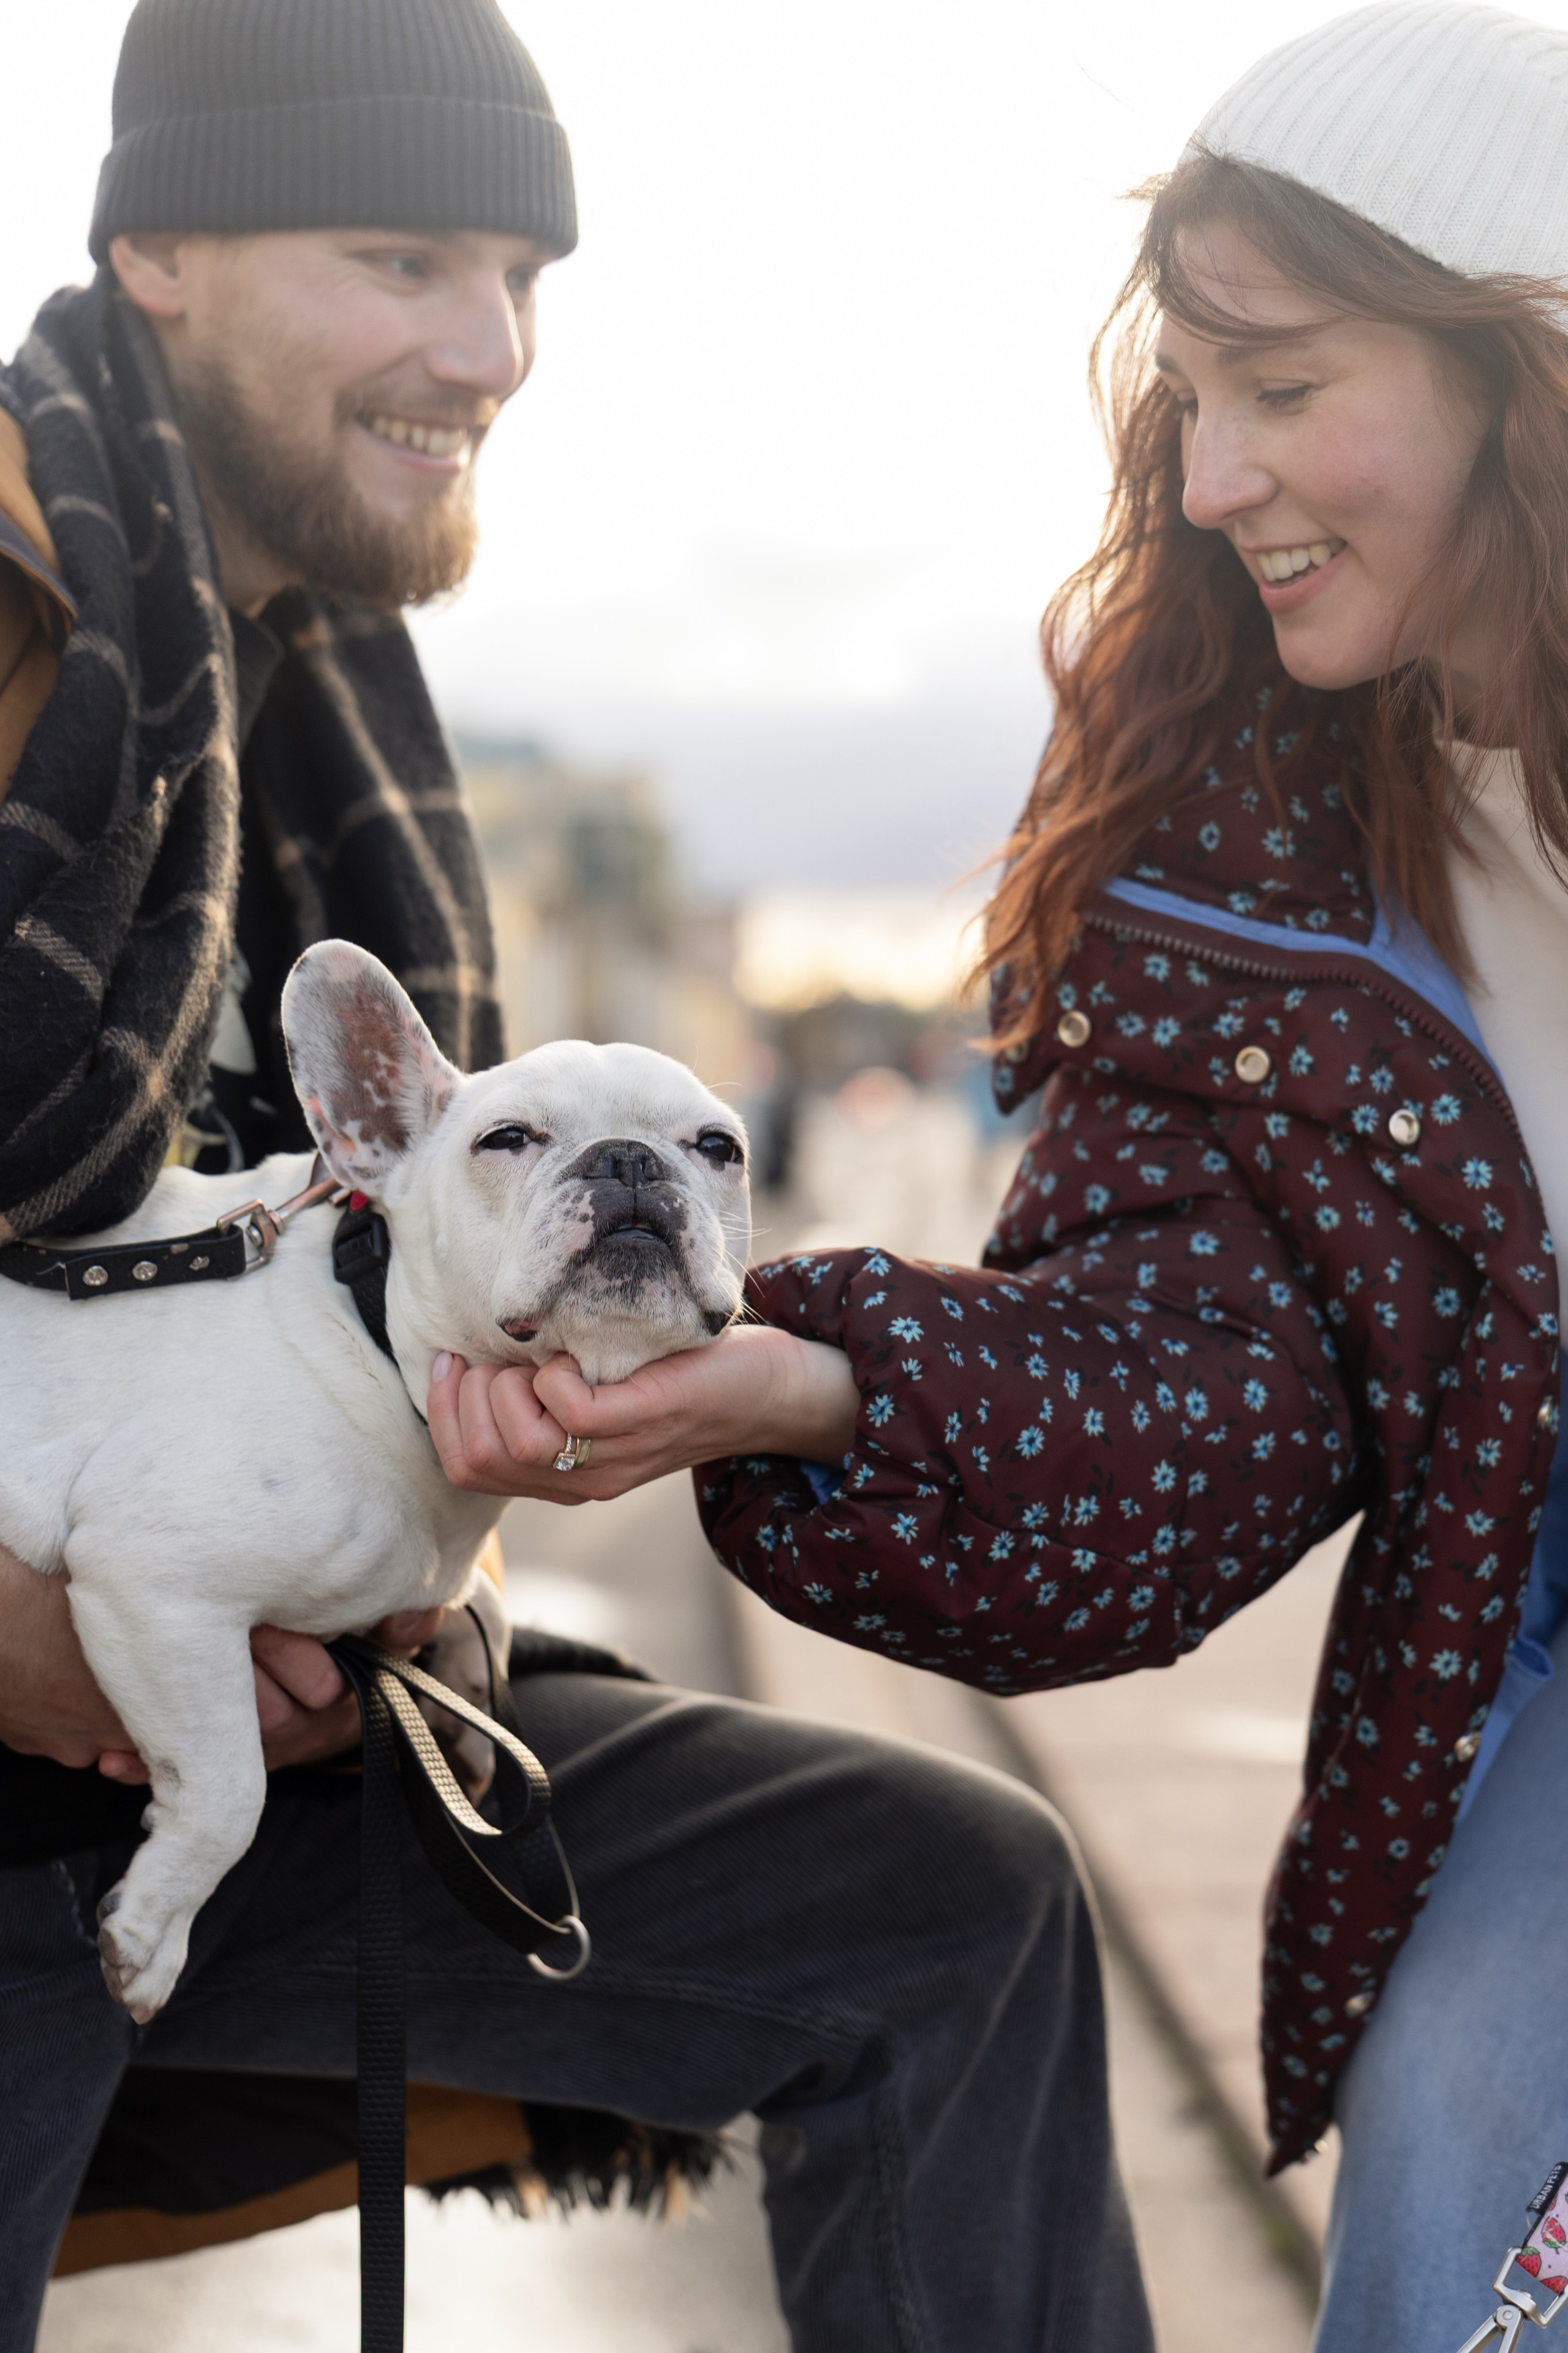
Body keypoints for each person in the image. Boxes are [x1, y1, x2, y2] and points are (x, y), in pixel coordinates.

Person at [0, 4, 1153, 2349]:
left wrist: (437, 1555)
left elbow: (380, 1285)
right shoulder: (41, 621)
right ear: (158, 254)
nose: (491, 350)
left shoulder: (322, 697)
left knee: (955, 1905)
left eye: (524, 278)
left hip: (279, 1715)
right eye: (403, 258)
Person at [455, 2, 1568, 2343]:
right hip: (1538, 1639)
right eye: (1193, 399)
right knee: (1463, 2184)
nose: (1212, 480)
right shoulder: (1245, 853)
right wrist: (824, 1385)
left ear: (1521, 372)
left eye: (1285, 389)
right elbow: (1197, 1388)